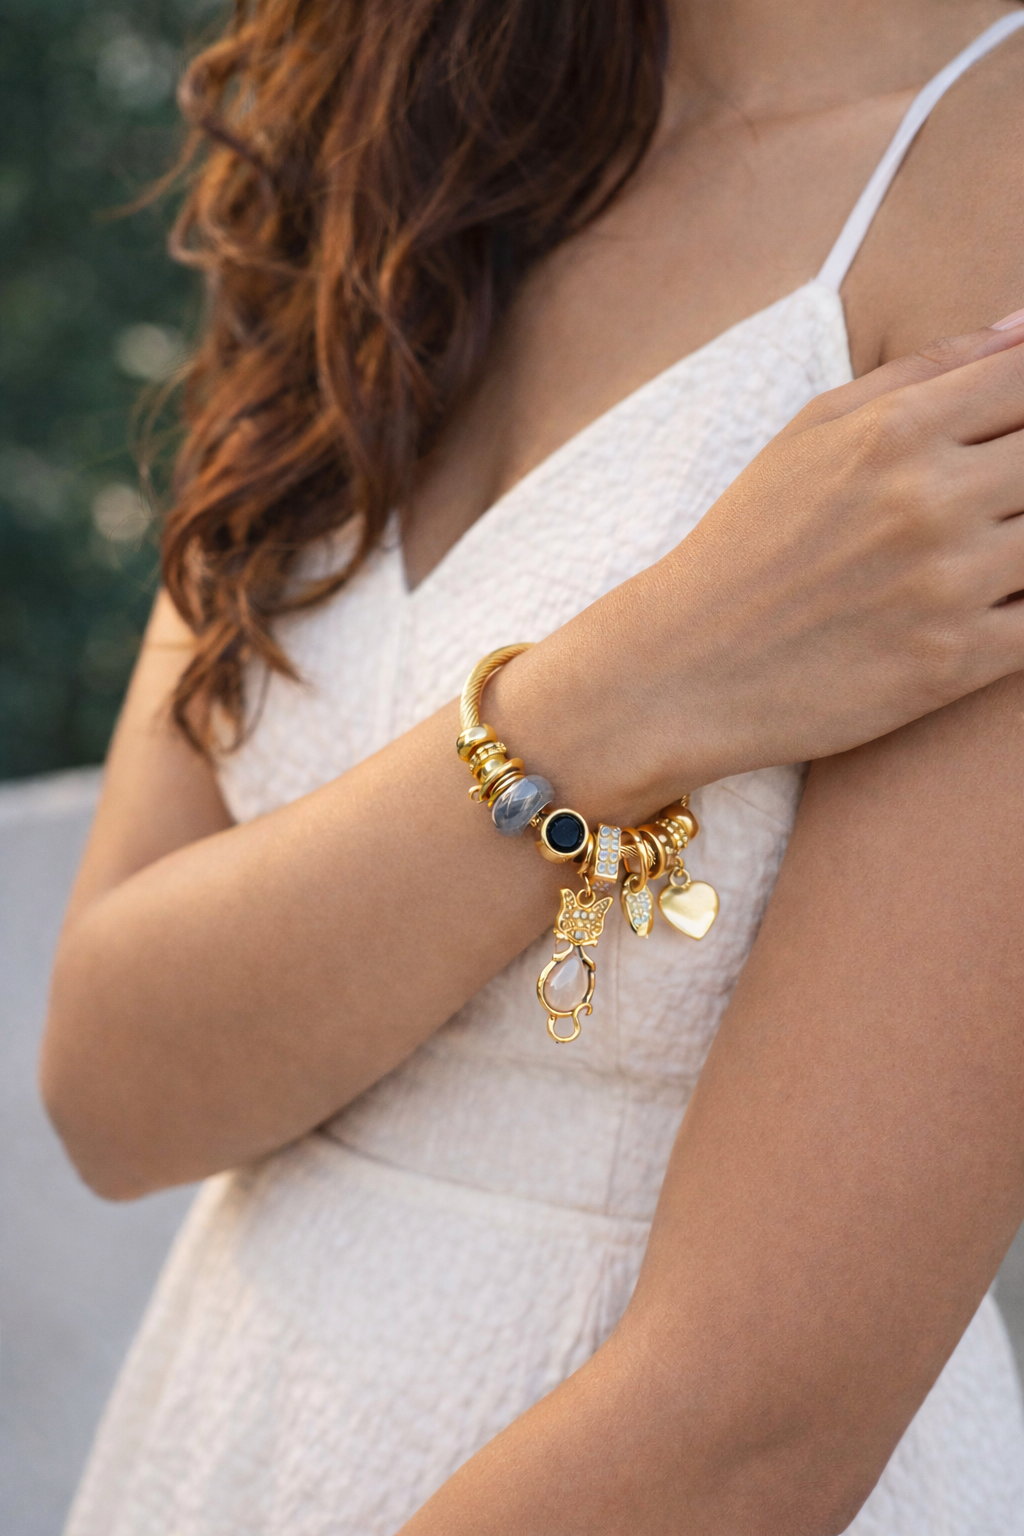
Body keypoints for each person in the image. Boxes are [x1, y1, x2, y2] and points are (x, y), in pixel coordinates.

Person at [42, 0, 1024, 1530]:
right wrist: (635, 685)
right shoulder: (379, 130)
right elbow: (115, 1091)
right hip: (221, 1437)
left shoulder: (996, 213)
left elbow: (763, 1425)